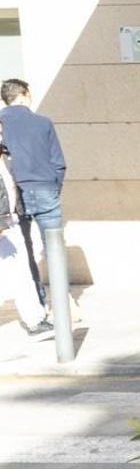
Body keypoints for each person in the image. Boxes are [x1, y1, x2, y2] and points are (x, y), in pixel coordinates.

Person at [0, 79, 66, 306]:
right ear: (23, 95)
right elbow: (58, 162)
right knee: (54, 247)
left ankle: (39, 303)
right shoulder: (43, 122)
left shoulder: (1, 123)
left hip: (16, 194)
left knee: (25, 251)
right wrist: (54, 187)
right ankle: (62, 302)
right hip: (46, 188)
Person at [0, 117, 49, 336]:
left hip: (10, 222)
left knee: (21, 273)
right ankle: (35, 322)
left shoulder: (7, 155)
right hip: (3, 225)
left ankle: (35, 322)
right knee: (19, 274)